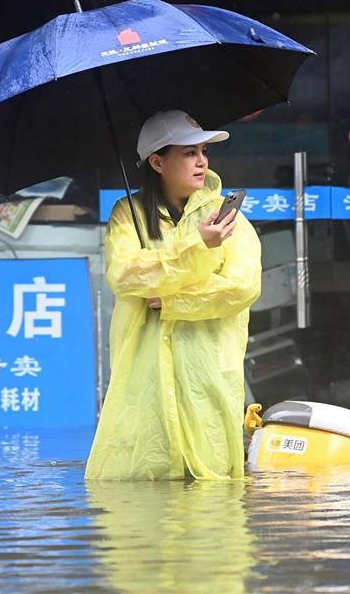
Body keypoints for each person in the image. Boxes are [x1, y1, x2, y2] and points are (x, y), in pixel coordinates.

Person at [85, 110, 262, 481]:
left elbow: (241, 287)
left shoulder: (227, 219)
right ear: (157, 161)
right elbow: (124, 274)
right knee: (141, 487)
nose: (202, 162)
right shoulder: (127, 215)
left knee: (214, 493)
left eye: (203, 151)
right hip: (143, 374)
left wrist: (170, 302)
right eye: (189, 153)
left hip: (208, 371)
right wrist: (198, 247)